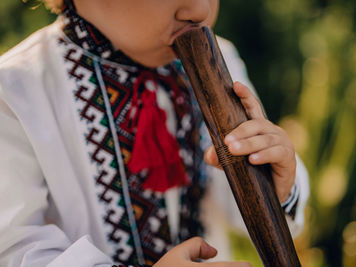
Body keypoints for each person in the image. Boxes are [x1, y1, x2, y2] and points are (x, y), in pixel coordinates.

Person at [0, 0, 309, 266]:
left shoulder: (221, 58)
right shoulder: (13, 91)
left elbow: (238, 212)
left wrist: (277, 185)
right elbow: (15, 250)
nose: (200, 9)